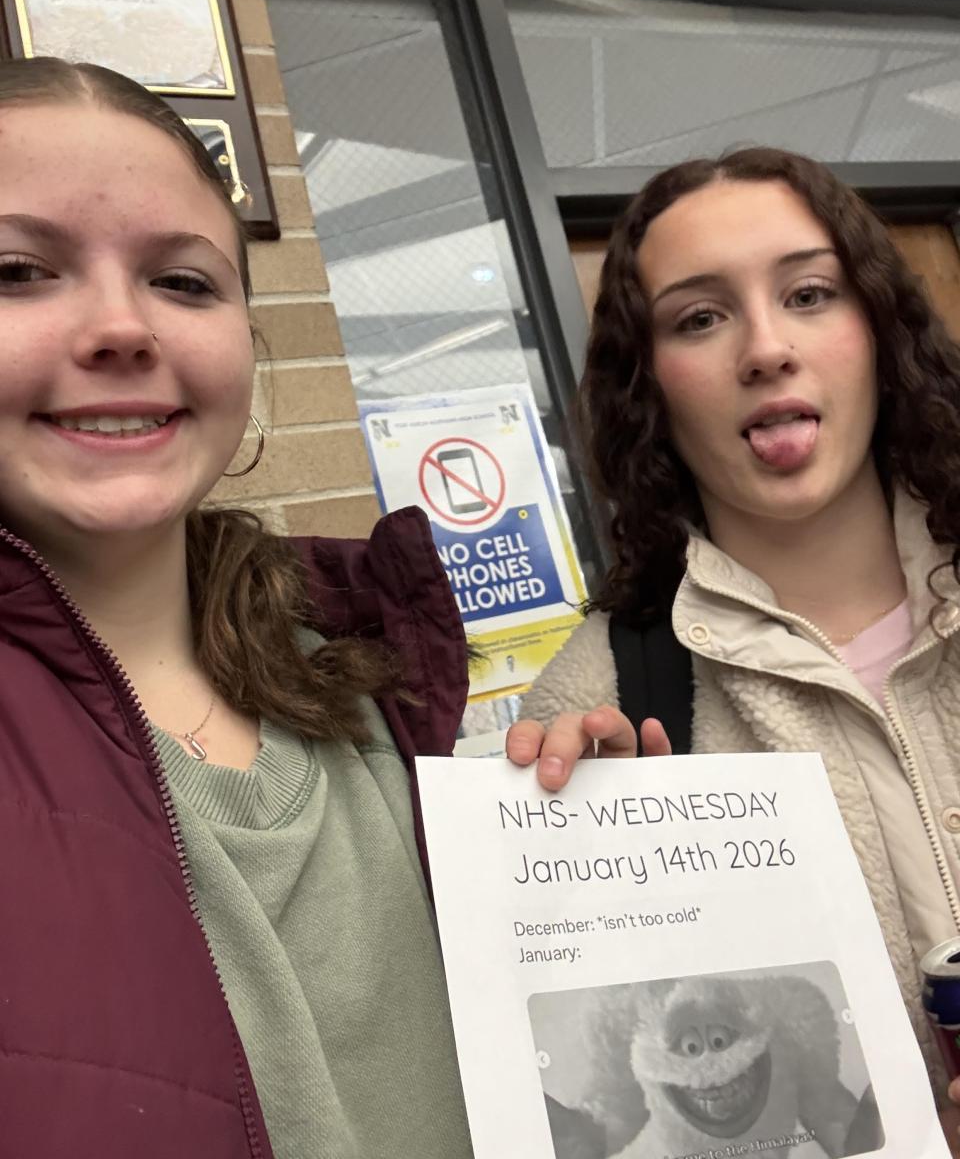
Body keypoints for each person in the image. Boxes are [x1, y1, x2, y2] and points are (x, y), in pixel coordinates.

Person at [0, 57, 634, 1159]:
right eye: (17, 270)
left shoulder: (357, 672)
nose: (122, 328)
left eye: (183, 282)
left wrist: (603, 860)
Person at [514, 146, 960, 1148]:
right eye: (700, 318)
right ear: (649, 387)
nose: (765, 349)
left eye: (808, 294)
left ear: (879, 329)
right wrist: (585, 869)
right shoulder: (603, 702)